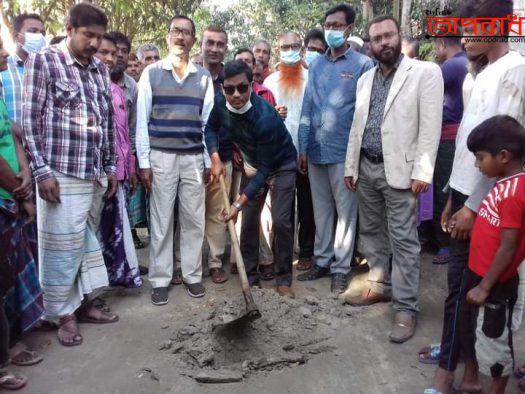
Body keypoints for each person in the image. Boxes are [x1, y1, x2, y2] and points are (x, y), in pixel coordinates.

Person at [429, 0, 525, 392]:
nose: (465, 36)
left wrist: (472, 208)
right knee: (458, 286)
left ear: (498, 26)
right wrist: (454, 198)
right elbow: (474, 153)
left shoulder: (514, 71)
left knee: (473, 287)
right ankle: (458, 361)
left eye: (473, 28)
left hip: (486, 205)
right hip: (467, 197)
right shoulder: (480, 72)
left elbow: (504, 150)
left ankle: (462, 371)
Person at [22, 3, 119, 347]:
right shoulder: (44, 61)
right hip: (59, 173)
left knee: (84, 242)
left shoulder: (99, 70)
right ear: (69, 28)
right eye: (87, 35)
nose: (94, 43)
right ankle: (62, 314)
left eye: (99, 37)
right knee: (61, 247)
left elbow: (106, 121)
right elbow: (31, 121)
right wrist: (41, 171)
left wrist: (110, 167)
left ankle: (84, 304)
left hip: (93, 172)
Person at [342, 15, 443, 343]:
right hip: (367, 168)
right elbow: (358, 127)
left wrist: (423, 172)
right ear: (369, 44)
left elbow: (430, 127)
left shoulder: (425, 73)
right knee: (372, 233)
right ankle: (380, 285)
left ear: (399, 37)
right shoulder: (365, 79)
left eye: (388, 36)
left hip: (401, 171)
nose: (383, 42)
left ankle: (406, 308)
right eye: (376, 38)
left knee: (404, 242)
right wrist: (350, 167)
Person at [136, 15, 214, 305]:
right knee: (161, 220)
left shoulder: (203, 78)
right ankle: (160, 279)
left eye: (186, 33)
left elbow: (208, 124)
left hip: (193, 157)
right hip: (161, 157)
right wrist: (144, 162)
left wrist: (207, 160)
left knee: (194, 220)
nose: (180, 37)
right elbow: (141, 122)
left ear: (193, 39)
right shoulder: (152, 73)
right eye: (175, 32)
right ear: (168, 37)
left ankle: (192, 275)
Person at [297, 4, 374, 293]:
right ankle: (322, 261)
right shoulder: (315, 65)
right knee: (322, 211)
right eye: (328, 25)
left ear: (350, 29)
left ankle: (341, 268)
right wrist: (302, 147)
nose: (331, 30)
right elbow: (307, 107)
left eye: (337, 25)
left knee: (346, 213)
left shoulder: (363, 65)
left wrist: (357, 156)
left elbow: (364, 115)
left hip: (344, 153)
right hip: (315, 151)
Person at [205, 60, 297, 297]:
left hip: (281, 165)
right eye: (229, 89)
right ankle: (251, 278)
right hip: (253, 163)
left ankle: (284, 278)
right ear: (222, 88)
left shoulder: (265, 117)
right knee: (248, 221)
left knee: (281, 221)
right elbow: (211, 129)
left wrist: (237, 203)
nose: (235, 95)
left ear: (252, 85)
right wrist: (215, 157)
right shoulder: (219, 103)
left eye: (242, 88)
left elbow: (266, 170)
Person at [457, 115, 525, 394]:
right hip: (480, 275)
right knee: (478, 334)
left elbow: (509, 245)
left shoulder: (513, 192)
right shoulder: (502, 184)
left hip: (494, 285)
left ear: (504, 156)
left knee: (496, 343)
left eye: (480, 158)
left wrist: (485, 286)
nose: (476, 164)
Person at [0, 35, 41, 386]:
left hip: (13, 192)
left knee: (10, 276)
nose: (4, 52)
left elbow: (12, 134)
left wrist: (25, 174)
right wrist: (19, 188)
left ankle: (12, 343)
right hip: (6, 194)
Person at [264, 31, 315, 272]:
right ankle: (280, 253)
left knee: (307, 205)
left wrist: (305, 150)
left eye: (295, 46)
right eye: (285, 47)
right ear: (279, 50)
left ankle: (306, 251)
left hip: (306, 152)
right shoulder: (270, 82)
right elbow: (262, 117)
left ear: (302, 49)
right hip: (278, 155)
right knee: (281, 209)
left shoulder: (311, 78)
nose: (290, 50)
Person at [95, 34, 142, 288]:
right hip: (95, 169)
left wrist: (130, 165)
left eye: (120, 52)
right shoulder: (93, 85)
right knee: (97, 229)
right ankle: (96, 285)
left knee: (116, 227)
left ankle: (114, 277)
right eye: (108, 52)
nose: (114, 57)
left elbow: (128, 133)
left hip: (120, 168)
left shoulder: (126, 89)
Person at [431, 34, 468, 265]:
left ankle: (445, 243)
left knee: (442, 189)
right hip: (457, 135)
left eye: (436, 45)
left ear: (442, 44)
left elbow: (427, 94)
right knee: (450, 187)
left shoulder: (449, 66)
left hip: (447, 136)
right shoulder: (466, 62)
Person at [201, 26, 233, 283]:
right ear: (201, 44)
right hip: (190, 156)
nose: (214, 48)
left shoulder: (230, 78)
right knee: (188, 214)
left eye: (219, 44)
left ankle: (214, 262)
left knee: (218, 213)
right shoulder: (190, 74)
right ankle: (184, 265)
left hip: (222, 158)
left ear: (226, 48)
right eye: (209, 43)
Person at [0, 13, 46, 123]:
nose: (39, 37)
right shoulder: (2, 69)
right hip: (9, 139)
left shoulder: (48, 71)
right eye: (33, 31)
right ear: (16, 36)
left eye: (43, 33)